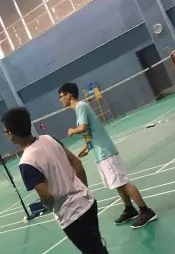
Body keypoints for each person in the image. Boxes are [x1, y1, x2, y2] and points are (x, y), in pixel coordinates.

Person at [1, 107, 154, 254]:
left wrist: (51, 206)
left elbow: (45, 195)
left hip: (73, 215)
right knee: (98, 250)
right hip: (87, 202)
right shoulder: (49, 139)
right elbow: (77, 163)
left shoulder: (27, 162)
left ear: (11, 134)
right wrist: (81, 189)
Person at [59, 82, 158, 228]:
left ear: (69, 95)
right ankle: (129, 209)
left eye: (61, 96)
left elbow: (83, 128)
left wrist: (72, 131)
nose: (60, 100)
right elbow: (91, 132)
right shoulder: (79, 109)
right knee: (117, 184)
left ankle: (146, 211)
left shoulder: (81, 106)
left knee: (123, 183)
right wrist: (87, 147)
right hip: (100, 153)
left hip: (106, 152)